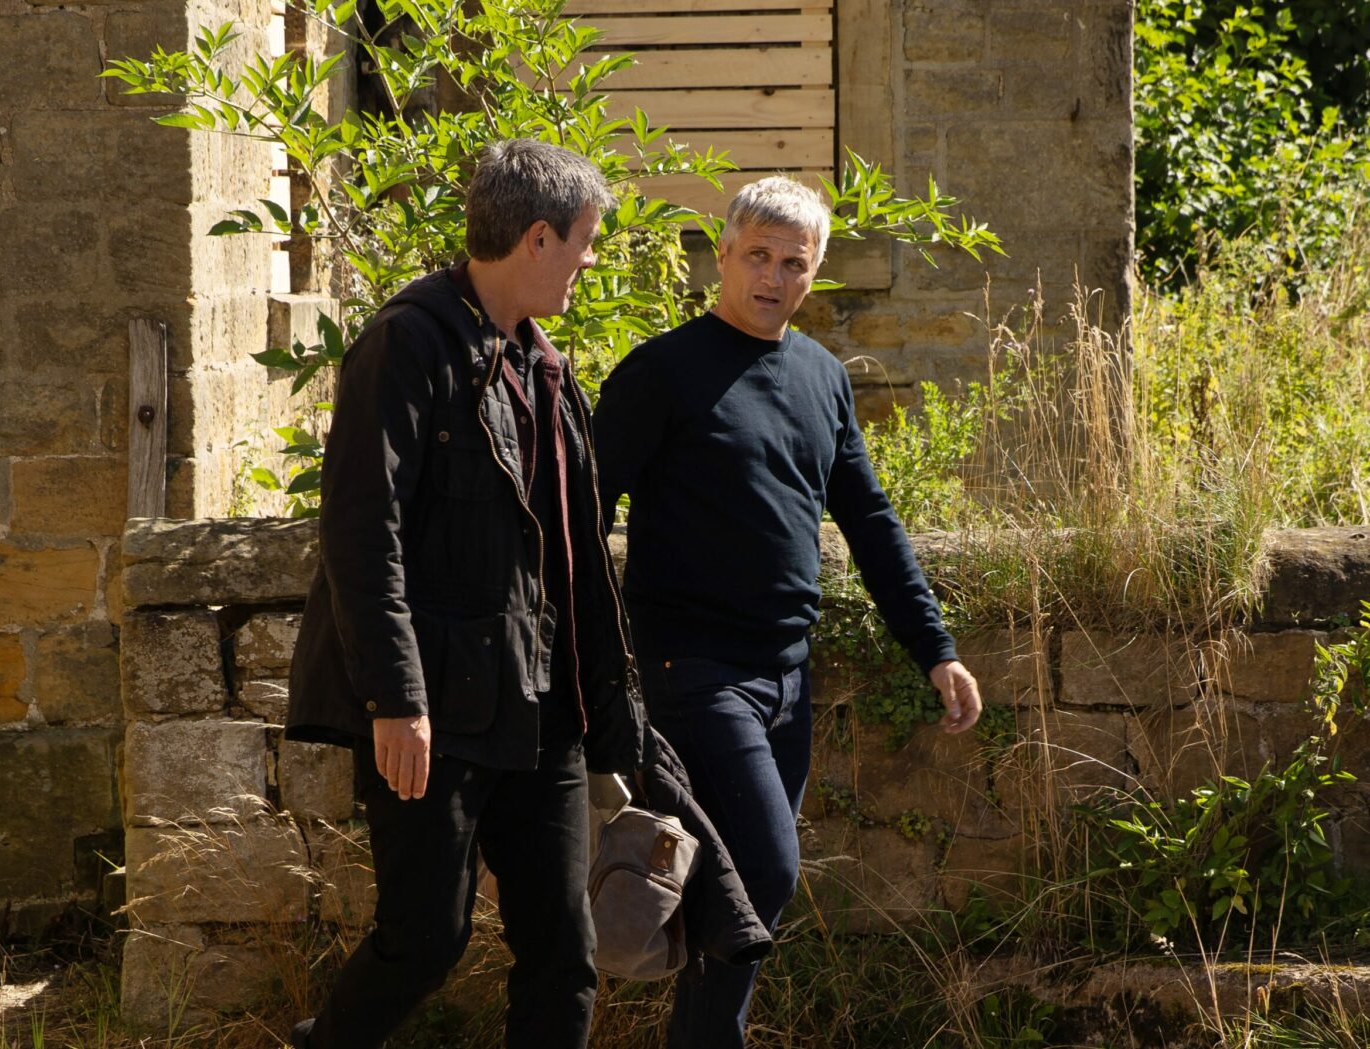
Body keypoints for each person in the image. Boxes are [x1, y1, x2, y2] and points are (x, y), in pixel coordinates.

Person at [591, 175, 984, 1049]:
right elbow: (580, 516)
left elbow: (871, 521)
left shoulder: (821, 377)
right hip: (688, 669)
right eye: (758, 255)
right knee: (763, 865)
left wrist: (936, 648)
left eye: (794, 263)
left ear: (815, 275)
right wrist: (581, 657)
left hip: (787, 677)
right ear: (722, 255)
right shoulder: (660, 373)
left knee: (740, 885)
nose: (773, 275)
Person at [283, 138, 647, 1049]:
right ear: (536, 239)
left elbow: (571, 554)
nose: (590, 260)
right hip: (435, 711)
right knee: (424, 940)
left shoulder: (545, 368)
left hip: (539, 707)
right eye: (584, 242)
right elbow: (365, 536)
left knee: (564, 948)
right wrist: (396, 698)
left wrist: (603, 704)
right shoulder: (406, 344)